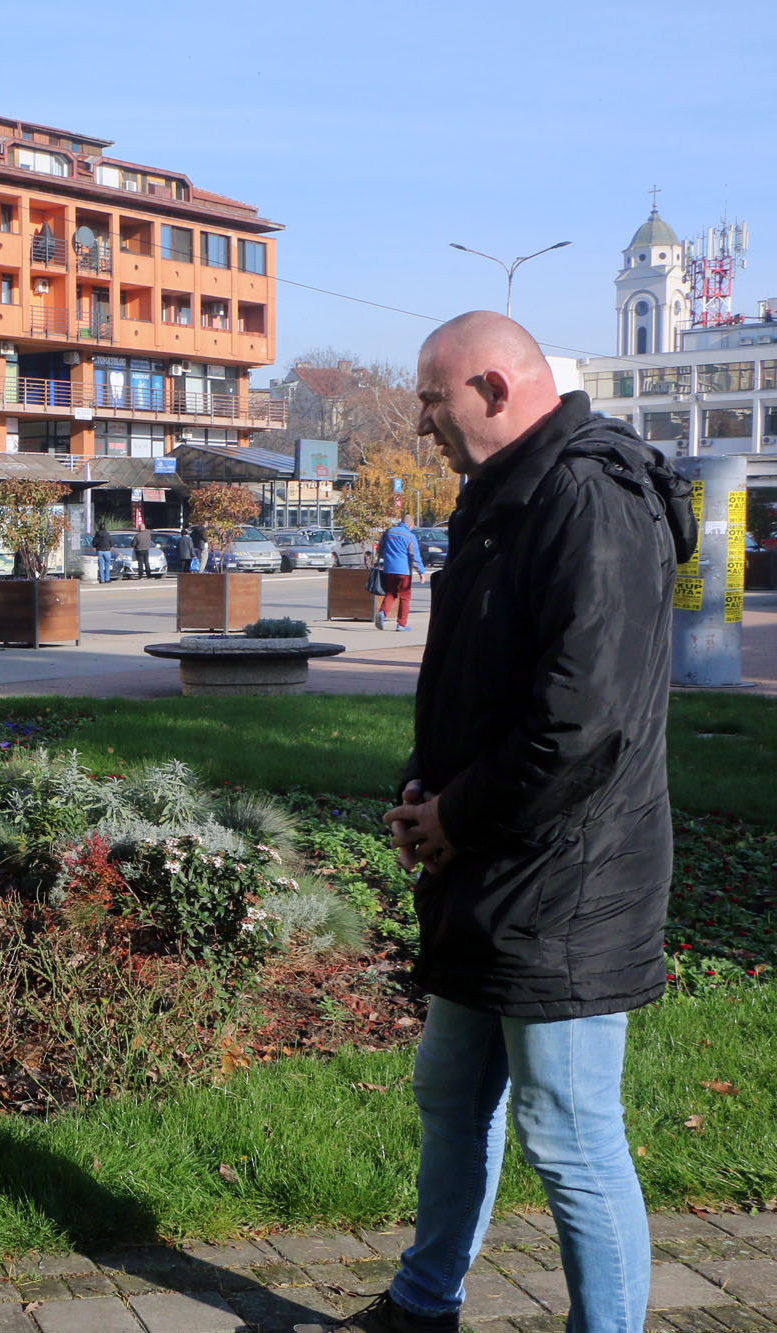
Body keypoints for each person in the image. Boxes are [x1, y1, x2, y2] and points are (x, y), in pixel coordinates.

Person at [342, 312, 694, 1333]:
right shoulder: (504, 494)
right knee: (452, 1093)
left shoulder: (589, 497)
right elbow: (477, 683)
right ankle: (423, 1304)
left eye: (430, 399)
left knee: (569, 1132)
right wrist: (425, 791)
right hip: (490, 868)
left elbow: (582, 722)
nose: (420, 424)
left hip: (568, 881)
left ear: (494, 390)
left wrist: (455, 814)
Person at [373, 517, 427, 631]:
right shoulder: (410, 536)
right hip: (404, 571)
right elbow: (414, 556)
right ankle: (401, 624)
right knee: (405, 597)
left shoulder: (388, 532)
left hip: (389, 569)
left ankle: (382, 613)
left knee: (390, 593)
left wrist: (384, 558)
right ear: (411, 525)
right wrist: (421, 572)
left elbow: (380, 549)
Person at [132, 512, 157, 579]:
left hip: (139, 550)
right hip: (146, 549)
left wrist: (135, 545)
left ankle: (140, 575)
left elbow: (133, 544)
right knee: (146, 562)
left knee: (140, 563)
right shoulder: (148, 534)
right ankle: (149, 575)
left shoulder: (138, 535)